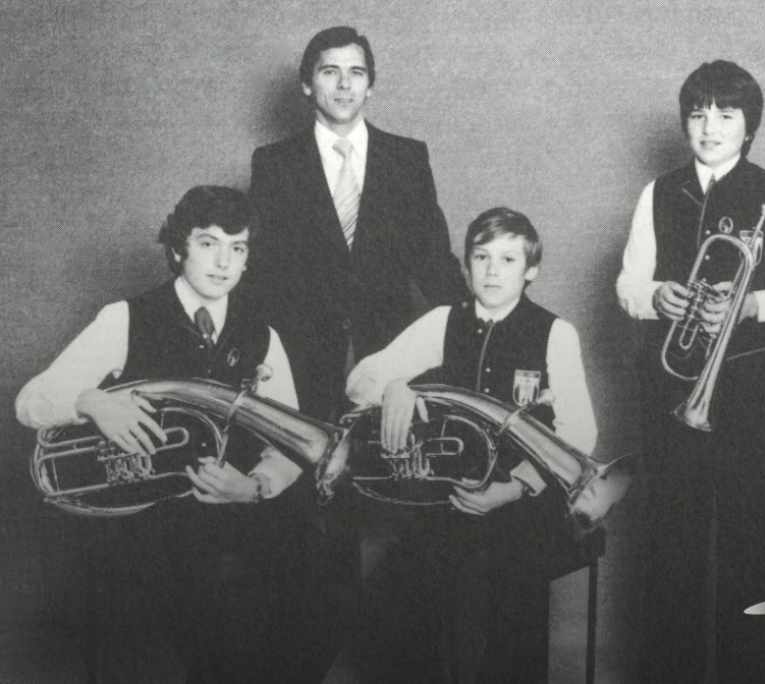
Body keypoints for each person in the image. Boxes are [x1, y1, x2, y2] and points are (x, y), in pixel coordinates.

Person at [15, 186, 333, 684]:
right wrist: (91, 401)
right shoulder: (125, 316)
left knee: (319, 562)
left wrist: (255, 486)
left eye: (238, 247)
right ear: (178, 248)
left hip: (233, 497)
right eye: (208, 243)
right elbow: (30, 400)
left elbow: (288, 438)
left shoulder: (261, 334)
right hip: (151, 510)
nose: (223, 261)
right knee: (198, 590)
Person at [616, 60, 765, 683]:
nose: (709, 127)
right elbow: (629, 283)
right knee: (670, 543)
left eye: (725, 114)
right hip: (670, 382)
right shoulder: (656, 192)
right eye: (698, 113)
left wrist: (756, 304)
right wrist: (656, 295)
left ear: (748, 126)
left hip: (751, 385)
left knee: (750, 542)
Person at [346, 207, 598, 683]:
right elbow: (361, 380)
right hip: (450, 498)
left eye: (507, 259)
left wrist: (516, 486)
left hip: (524, 501)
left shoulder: (555, 332)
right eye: (481, 257)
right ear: (465, 267)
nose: (492, 270)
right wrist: (395, 386)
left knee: (510, 596)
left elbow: (580, 433)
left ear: (532, 271)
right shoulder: (444, 320)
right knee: (394, 601)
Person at [249, 25, 466, 423]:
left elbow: (435, 261)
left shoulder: (407, 159)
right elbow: (263, 271)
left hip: (390, 359)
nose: (345, 84)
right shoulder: (273, 164)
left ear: (371, 87)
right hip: (301, 361)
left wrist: (472, 332)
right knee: (300, 479)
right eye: (330, 71)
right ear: (307, 85)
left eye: (357, 73)